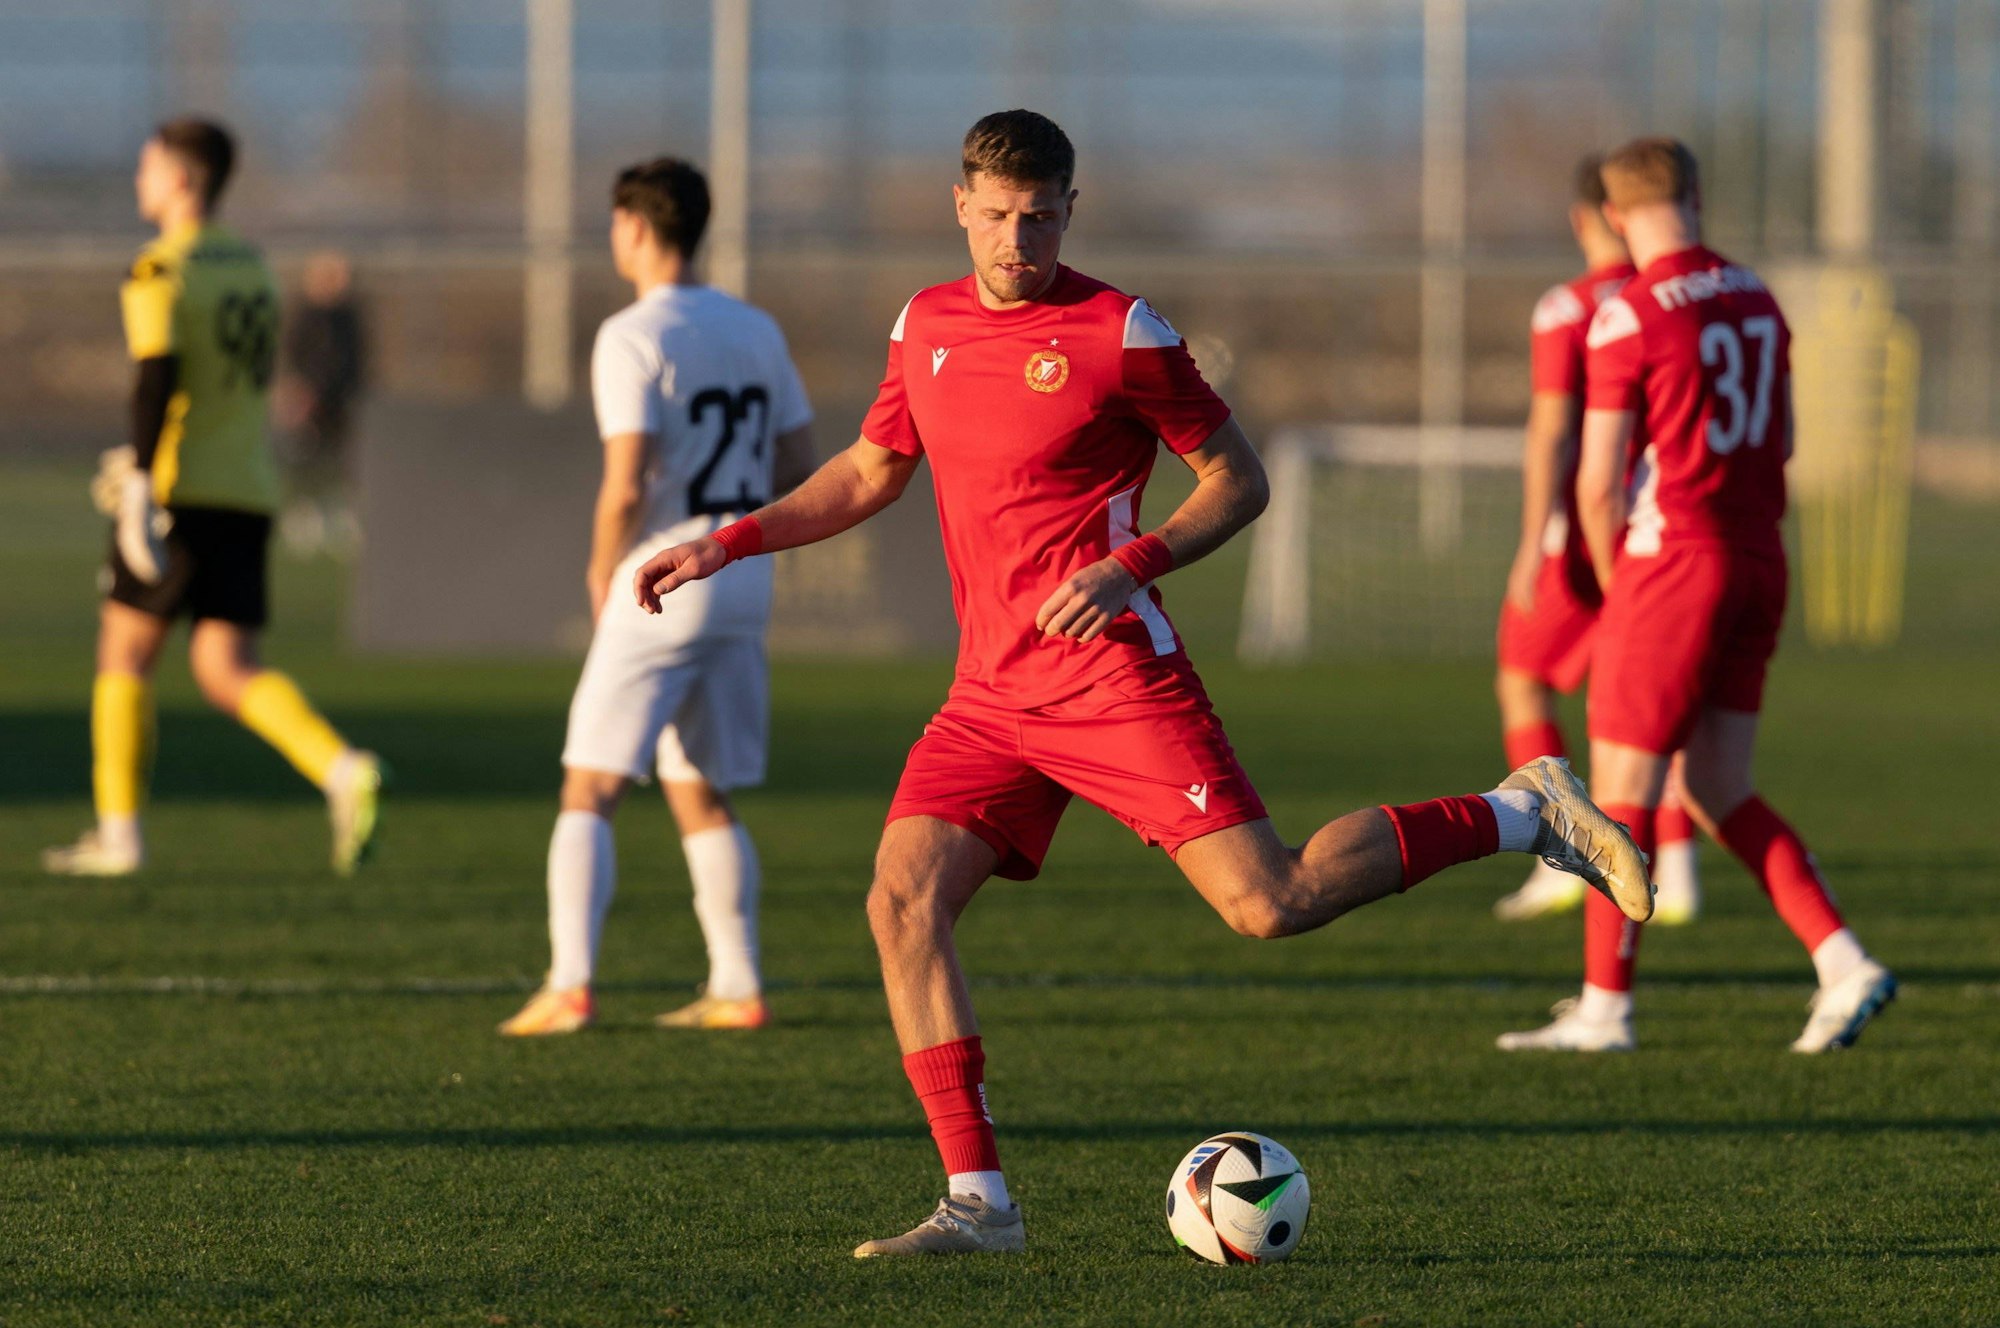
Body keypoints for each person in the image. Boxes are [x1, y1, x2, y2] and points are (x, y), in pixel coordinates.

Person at [631, 110, 1653, 1257]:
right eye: (999, 214)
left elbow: (1237, 479)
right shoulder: (922, 324)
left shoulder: (1120, 330)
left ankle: (1524, 810)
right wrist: (730, 540)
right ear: (959, 204)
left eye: (1041, 215)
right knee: (900, 901)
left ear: (1072, 208)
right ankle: (979, 1204)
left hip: (1112, 677)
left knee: (1270, 902)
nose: (1018, 238)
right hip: (988, 695)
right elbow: (872, 468)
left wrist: (1130, 565)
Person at [1499, 138, 1896, 1055]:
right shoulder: (1758, 294)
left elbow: (1597, 481)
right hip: (1760, 553)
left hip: (1674, 562)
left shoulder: (1626, 314)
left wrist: (1613, 581)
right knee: (1718, 784)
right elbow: (1785, 437)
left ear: (1609, 213)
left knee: (1623, 788)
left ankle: (1605, 1008)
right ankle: (1842, 960)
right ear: (1698, 195)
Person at [498, 157, 815, 1038]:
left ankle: (569, 984)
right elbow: (796, 463)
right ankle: (738, 983)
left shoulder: (631, 332)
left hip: (664, 573)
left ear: (634, 227)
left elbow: (626, 479)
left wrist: (603, 568)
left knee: (589, 786)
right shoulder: (754, 328)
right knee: (698, 786)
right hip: (743, 566)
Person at [44, 118, 382, 879]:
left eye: (149, 167)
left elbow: (156, 377)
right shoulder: (254, 267)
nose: (140, 180)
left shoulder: (163, 268)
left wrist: (138, 479)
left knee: (123, 651)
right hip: (248, 486)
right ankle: (341, 768)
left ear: (184, 180)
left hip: (178, 492)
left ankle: (119, 833)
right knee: (226, 664)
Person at [1493, 155, 1704, 926]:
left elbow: (1554, 428)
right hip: (1664, 526)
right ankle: (1675, 864)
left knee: (1522, 676)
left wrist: (1530, 539)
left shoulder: (1570, 307)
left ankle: (1562, 849)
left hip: (1582, 531)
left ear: (1589, 219)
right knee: (1656, 701)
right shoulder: (1677, 297)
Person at [276, 250, 367, 554]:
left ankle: (342, 515)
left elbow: (357, 359)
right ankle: (305, 513)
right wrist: (300, 391)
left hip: (342, 400)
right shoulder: (305, 316)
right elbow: (294, 356)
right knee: (304, 459)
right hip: (310, 400)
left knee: (346, 460)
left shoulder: (349, 317)